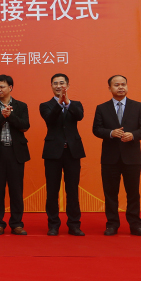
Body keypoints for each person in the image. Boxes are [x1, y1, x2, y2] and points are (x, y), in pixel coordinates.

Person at [92, 75, 141, 236]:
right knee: (110, 193)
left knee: (133, 193)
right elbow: (96, 129)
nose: (120, 87)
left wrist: (133, 135)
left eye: (123, 84)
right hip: (110, 158)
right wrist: (110, 133)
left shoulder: (138, 106)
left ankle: (136, 225)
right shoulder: (102, 108)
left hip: (132, 157)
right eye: (116, 85)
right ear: (109, 88)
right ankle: (112, 224)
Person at [0, 75, 30, 235]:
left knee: (16, 190)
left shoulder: (21, 106)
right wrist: (2, 117)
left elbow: (25, 126)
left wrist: (11, 116)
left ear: (10, 88)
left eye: (2, 87)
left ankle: (17, 224)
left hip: (16, 153)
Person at [39, 73, 86, 236]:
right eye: (55, 83)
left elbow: (79, 116)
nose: (58, 86)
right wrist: (59, 104)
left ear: (68, 86)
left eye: (61, 83)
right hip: (53, 153)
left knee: (72, 190)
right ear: (51, 86)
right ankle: (53, 225)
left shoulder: (76, 104)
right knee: (52, 190)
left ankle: (74, 225)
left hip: (72, 152)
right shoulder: (45, 105)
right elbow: (50, 120)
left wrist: (67, 103)